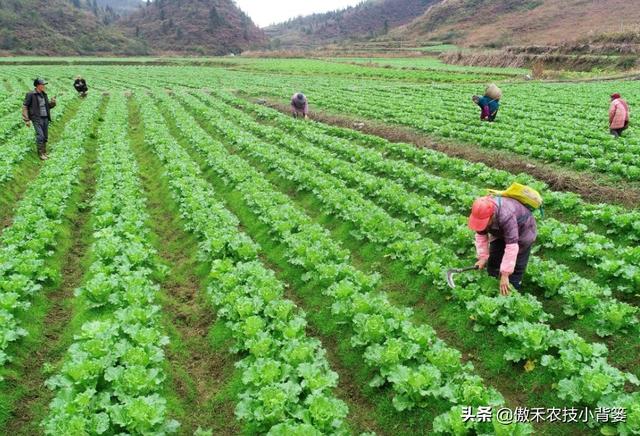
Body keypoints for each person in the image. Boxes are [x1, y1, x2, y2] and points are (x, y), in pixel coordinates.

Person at [468, 195, 537, 296]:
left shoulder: (506, 215)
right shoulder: (480, 214)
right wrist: (482, 258)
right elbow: (481, 236)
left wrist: (505, 274)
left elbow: (512, 246)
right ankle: (492, 284)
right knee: (494, 259)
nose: (483, 225)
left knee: (517, 266)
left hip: (523, 232)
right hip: (500, 232)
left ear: (491, 216)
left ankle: (511, 293)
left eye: (485, 223)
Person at [22, 78, 56, 161]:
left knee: (45, 136)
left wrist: (53, 102)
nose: (44, 86)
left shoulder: (44, 94)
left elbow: (47, 106)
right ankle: (40, 154)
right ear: (37, 85)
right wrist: (26, 119)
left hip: (45, 118)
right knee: (40, 136)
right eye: (42, 84)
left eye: (44, 85)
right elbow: (25, 106)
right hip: (36, 118)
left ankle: (44, 152)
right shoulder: (30, 94)